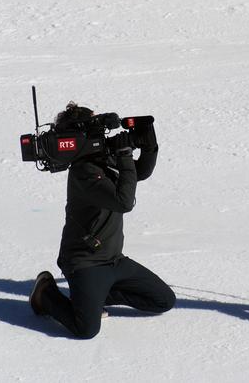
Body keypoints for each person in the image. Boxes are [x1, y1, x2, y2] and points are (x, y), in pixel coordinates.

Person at [29, 102, 176, 339]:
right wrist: (124, 154)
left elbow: (140, 172)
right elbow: (123, 201)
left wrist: (149, 146)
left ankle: (92, 298)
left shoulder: (101, 159)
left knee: (163, 300)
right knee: (86, 330)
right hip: (85, 262)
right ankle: (45, 294)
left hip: (114, 260)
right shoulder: (84, 171)